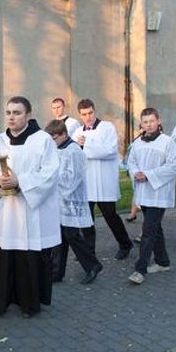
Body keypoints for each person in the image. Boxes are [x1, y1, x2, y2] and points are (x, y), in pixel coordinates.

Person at [0, 96, 60, 317]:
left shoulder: (42, 140)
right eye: (8, 113)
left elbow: (50, 172)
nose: (12, 117)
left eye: (17, 113)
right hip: (6, 209)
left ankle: (28, 303)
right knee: (1, 252)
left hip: (30, 210)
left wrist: (20, 182)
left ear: (28, 115)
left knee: (28, 255)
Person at [75, 98, 134, 260]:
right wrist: (81, 147)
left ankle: (125, 244)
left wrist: (86, 145)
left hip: (103, 181)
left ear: (95, 111)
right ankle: (89, 252)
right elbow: (74, 155)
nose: (88, 117)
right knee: (87, 219)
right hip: (86, 183)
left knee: (110, 216)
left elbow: (109, 151)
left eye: (90, 113)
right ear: (80, 115)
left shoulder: (107, 127)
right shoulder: (77, 132)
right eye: (84, 114)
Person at [126, 107, 176, 285]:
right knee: (155, 228)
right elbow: (131, 161)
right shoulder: (138, 143)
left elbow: (174, 166)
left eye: (152, 121)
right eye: (145, 122)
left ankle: (140, 269)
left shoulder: (167, 142)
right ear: (141, 124)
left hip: (158, 192)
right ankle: (163, 262)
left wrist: (148, 175)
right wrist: (136, 172)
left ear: (158, 121)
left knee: (148, 230)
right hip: (144, 191)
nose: (148, 125)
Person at [46, 119, 102, 284]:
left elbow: (73, 177)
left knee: (72, 235)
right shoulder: (57, 148)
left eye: (54, 138)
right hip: (58, 199)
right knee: (60, 236)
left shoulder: (74, 151)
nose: (51, 143)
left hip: (71, 199)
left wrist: (52, 178)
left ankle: (92, 265)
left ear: (63, 134)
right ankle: (57, 271)